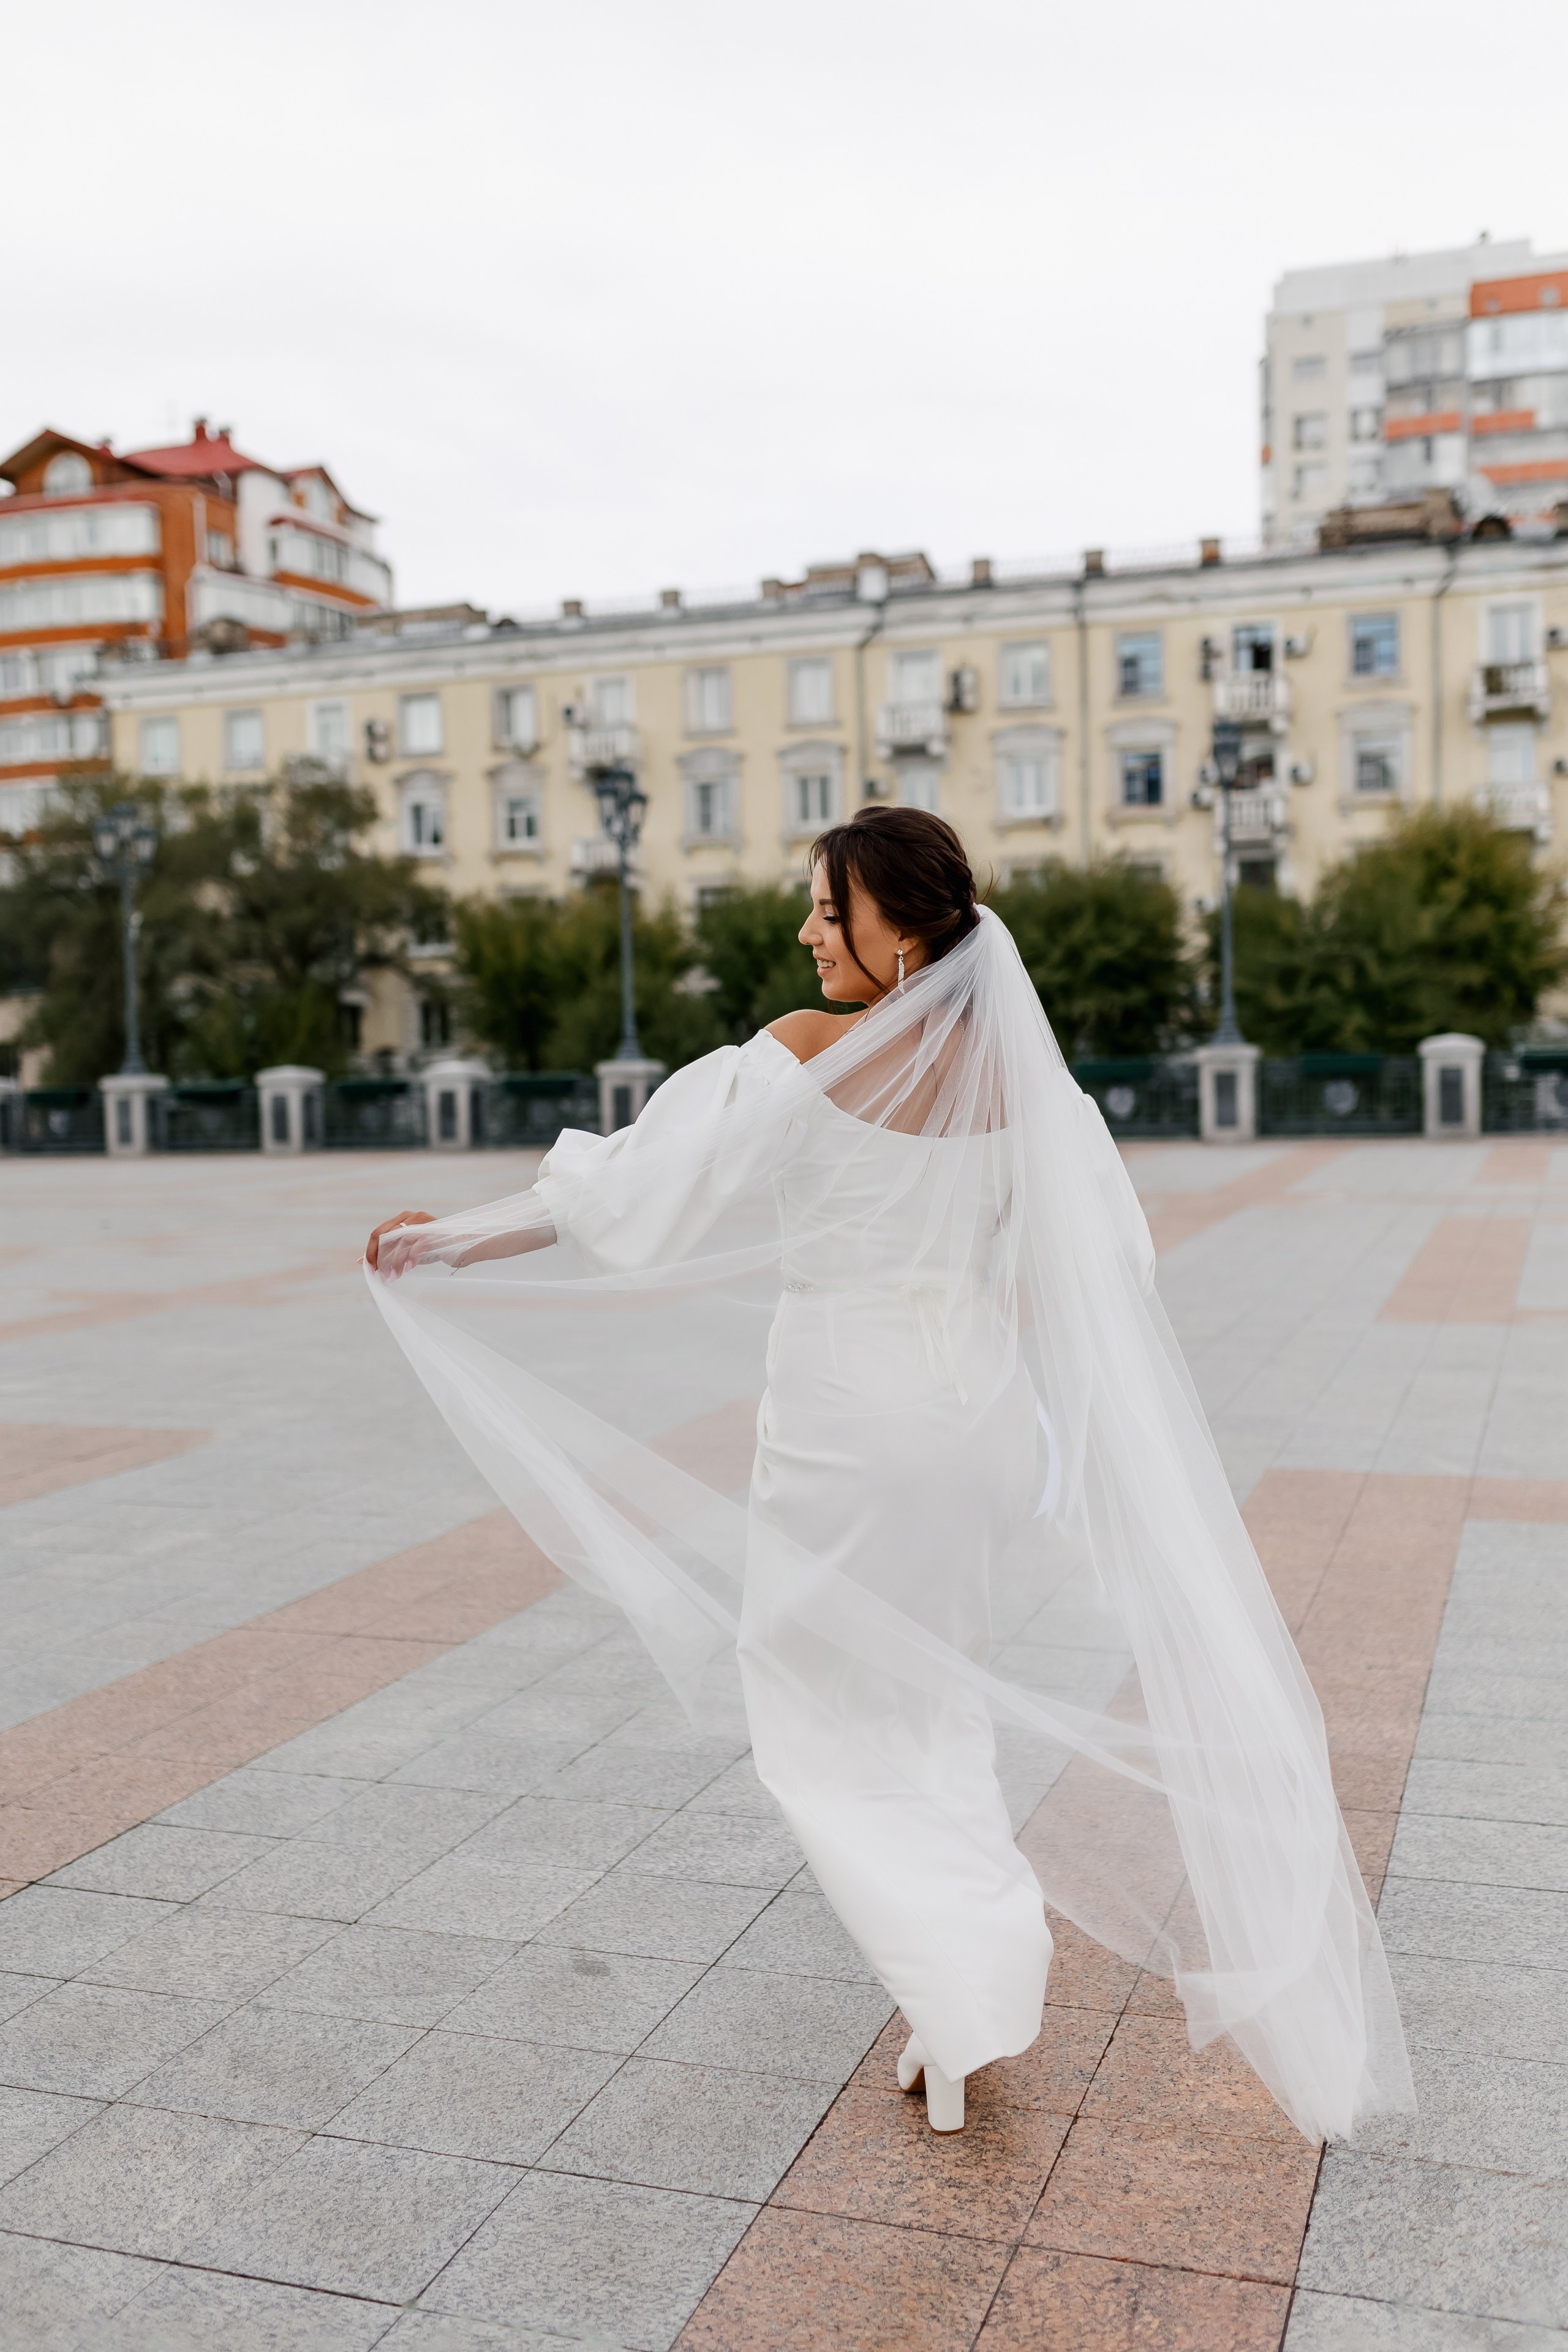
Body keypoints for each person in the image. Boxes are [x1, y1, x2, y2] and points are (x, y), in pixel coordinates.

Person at [366, 805, 1412, 2143]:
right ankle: (957, 2000)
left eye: (826, 909)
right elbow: (1104, 1271)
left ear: (902, 931)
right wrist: (1042, 1424)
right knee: (933, 1703)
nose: (804, 932)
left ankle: (969, 1983)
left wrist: (443, 1243)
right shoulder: (1025, 1086)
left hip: (842, 1426)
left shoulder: (805, 1057)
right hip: (967, 1420)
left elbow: (622, 1192)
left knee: (814, 1716)